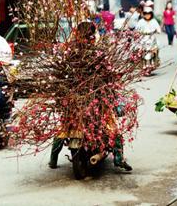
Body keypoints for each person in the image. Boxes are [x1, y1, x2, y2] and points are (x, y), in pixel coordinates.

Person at [48, 21, 132, 171]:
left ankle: (53, 160)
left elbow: (61, 76)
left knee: (63, 130)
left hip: (81, 99)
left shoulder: (70, 53)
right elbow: (109, 75)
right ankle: (118, 159)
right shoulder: (95, 54)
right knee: (112, 128)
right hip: (93, 98)